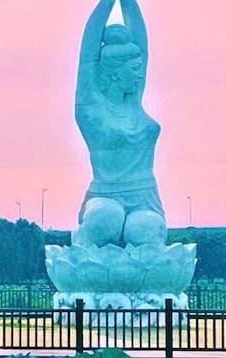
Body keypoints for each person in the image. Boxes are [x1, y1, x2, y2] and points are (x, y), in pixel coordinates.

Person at [73, 0, 166, 247]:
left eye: (139, 69)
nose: (140, 74)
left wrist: (128, 3)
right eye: (133, 69)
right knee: (107, 219)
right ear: (115, 72)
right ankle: (83, 239)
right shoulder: (91, 112)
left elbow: (142, 47)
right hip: (105, 195)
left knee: (143, 231)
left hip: (144, 196)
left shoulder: (134, 105)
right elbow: (87, 57)